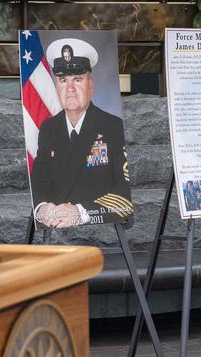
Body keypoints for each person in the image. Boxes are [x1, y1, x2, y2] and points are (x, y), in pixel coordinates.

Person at [30, 38, 133, 228]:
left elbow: (124, 194)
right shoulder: (48, 129)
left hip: (95, 219)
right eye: (63, 80)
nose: (69, 89)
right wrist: (42, 208)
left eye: (77, 79)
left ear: (90, 85)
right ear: (57, 86)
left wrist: (81, 212)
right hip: (56, 221)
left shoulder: (113, 127)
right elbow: (38, 179)